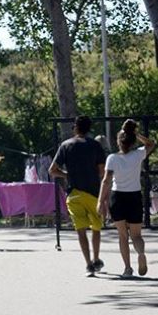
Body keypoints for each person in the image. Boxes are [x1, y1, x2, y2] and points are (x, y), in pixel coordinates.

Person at [97, 120, 156, 278]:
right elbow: (151, 144)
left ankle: (128, 269)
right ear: (132, 141)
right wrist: (137, 134)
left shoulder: (112, 158)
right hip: (134, 196)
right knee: (137, 235)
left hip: (117, 197)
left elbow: (106, 181)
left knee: (123, 236)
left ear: (118, 142)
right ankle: (141, 253)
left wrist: (101, 201)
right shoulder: (138, 154)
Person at [50, 116, 107, 276]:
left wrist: (66, 175)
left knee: (81, 230)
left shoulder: (65, 145)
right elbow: (102, 171)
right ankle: (96, 258)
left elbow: (52, 170)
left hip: (74, 193)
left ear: (75, 127)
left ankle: (88, 264)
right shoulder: (95, 145)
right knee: (96, 228)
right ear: (89, 129)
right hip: (93, 193)